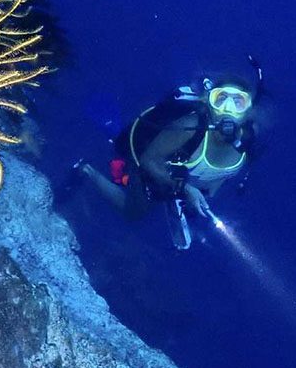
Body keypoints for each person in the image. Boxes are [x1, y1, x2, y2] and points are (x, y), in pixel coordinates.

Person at [75, 58, 262, 250]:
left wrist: (199, 199)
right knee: (133, 212)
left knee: (170, 195)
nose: (228, 110)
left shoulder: (246, 144)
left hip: (182, 179)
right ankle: (85, 168)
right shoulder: (189, 127)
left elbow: (219, 178)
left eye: (238, 102)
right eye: (220, 99)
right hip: (152, 163)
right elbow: (149, 159)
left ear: (249, 111)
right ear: (208, 102)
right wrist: (185, 190)